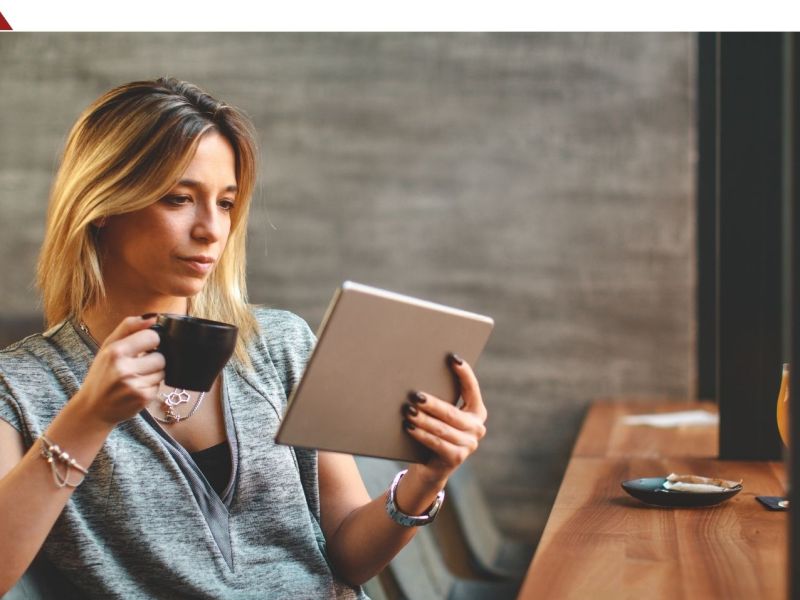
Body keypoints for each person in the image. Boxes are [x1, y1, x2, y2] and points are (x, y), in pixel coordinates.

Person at [0, 77, 488, 599]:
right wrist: (86, 420)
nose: (212, 229)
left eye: (227, 203)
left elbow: (348, 554)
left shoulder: (277, 345)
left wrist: (425, 479)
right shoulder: (22, 388)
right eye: (179, 199)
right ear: (101, 207)